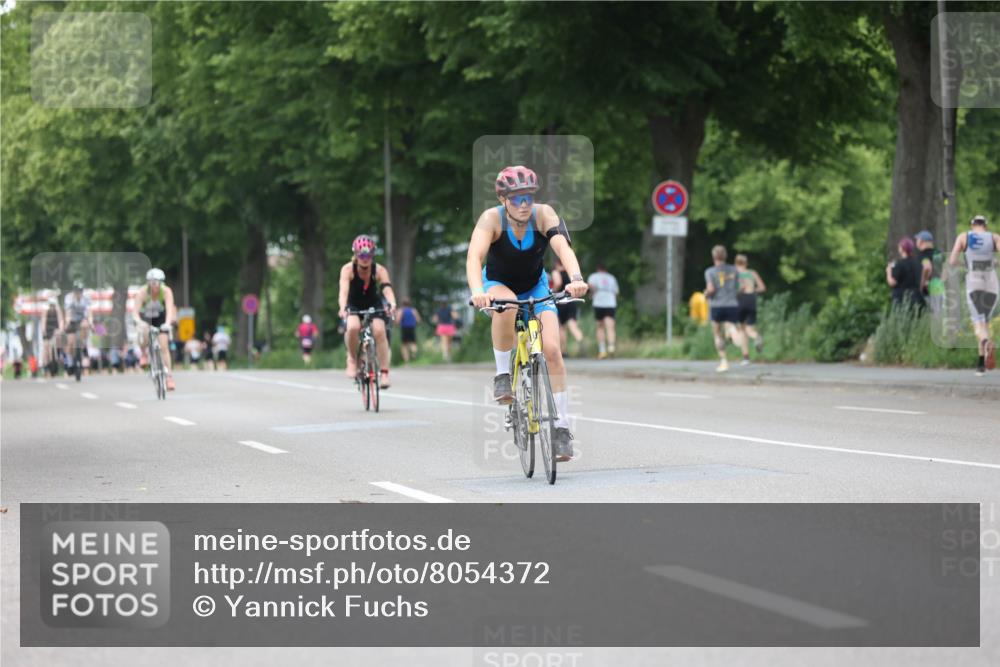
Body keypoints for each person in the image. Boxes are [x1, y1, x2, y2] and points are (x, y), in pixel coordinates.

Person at [466, 165, 588, 462]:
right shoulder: (491, 219)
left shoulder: (544, 215)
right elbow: (474, 257)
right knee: (507, 304)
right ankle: (502, 374)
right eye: (516, 198)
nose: (524, 204)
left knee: (553, 350)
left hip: (536, 287)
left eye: (528, 197)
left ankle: (561, 428)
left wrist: (576, 278)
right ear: (503, 199)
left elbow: (563, 249)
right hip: (498, 285)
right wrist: (477, 291)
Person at [338, 234, 397, 389]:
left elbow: (387, 289)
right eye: (362, 255)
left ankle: (384, 373)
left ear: (373, 254)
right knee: (353, 327)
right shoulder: (348, 269)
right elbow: (343, 292)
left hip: (373, 303)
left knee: (380, 331)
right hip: (353, 303)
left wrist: (392, 303)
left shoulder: (379, 270)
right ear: (356, 254)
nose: (365, 259)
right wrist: (343, 308)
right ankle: (352, 359)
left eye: (369, 255)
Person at [948, 215, 999, 376]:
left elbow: (952, 260)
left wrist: (966, 264)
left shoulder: (964, 237)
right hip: (992, 284)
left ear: (972, 226)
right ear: (985, 226)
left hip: (974, 283)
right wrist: (994, 263)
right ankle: (981, 364)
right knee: (985, 323)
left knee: (978, 323)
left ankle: (985, 343)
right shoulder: (994, 237)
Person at [133, 268, 178, 390]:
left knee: (164, 346)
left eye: (157, 283)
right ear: (148, 283)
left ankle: (169, 376)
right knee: (144, 331)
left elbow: (169, 310)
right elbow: (135, 312)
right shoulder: (142, 292)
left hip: (161, 318)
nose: (155, 286)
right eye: (152, 283)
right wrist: (139, 322)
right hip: (146, 317)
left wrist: (167, 324)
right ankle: (144, 354)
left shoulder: (166, 291)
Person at [704, 245, 746, 373]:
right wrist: (735, 295)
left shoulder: (710, 271)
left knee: (717, 334)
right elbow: (742, 287)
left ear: (713, 257)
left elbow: (711, 289)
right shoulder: (734, 270)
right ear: (725, 256)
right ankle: (732, 332)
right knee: (730, 325)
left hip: (716, 305)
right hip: (731, 304)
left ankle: (724, 362)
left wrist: (706, 294)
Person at [734, 254, 766, 364]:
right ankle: (756, 336)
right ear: (746, 263)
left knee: (742, 329)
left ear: (736, 263)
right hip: (752, 299)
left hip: (741, 300)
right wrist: (752, 290)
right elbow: (762, 288)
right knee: (750, 328)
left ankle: (746, 357)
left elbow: (739, 288)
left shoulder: (735, 274)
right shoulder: (753, 273)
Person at [551, 259, 584, 356]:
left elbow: (558, 283)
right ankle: (581, 341)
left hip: (561, 301)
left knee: (561, 327)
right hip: (571, 300)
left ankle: (564, 351)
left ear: (557, 264)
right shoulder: (570, 273)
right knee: (572, 325)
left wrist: (552, 292)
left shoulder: (556, 272)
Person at [587, 264, 619, 359]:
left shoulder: (593, 276)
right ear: (606, 269)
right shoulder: (612, 277)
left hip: (599, 303)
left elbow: (590, 286)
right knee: (610, 327)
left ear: (598, 269)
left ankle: (602, 350)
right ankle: (611, 347)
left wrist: (591, 294)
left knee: (600, 327)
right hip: (610, 303)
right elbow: (616, 292)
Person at [63, 280, 92, 380]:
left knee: (85, 325)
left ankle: (83, 342)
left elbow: (89, 312)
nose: (78, 293)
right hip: (72, 320)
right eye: (77, 291)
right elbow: (67, 312)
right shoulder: (68, 298)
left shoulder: (86, 298)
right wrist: (67, 322)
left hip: (82, 320)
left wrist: (90, 322)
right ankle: (70, 362)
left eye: (80, 291)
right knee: (70, 342)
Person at [886, 237, 925, 312]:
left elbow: (892, 282)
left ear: (902, 248)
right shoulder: (918, 263)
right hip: (916, 297)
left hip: (902, 299)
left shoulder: (899, 264)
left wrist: (888, 271)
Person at [916, 231, 945, 316]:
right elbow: (946, 269)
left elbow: (927, 267)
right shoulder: (938, 253)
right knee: (938, 316)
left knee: (926, 316)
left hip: (926, 290)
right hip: (938, 288)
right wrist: (941, 281)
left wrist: (923, 283)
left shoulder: (922, 255)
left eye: (917, 240)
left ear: (921, 241)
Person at [41, 297, 64, 377]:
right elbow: (43, 322)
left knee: (54, 349)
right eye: (51, 305)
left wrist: (60, 330)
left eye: (53, 305)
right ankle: (45, 367)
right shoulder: (45, 311)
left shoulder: (58, 311)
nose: (52, 307)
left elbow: (61, 321)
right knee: (46, 349)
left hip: (55, 331)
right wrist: (44, 331)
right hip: (47, 331)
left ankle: (54, 367)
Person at [396, 298, 422, 363]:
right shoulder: (413, 310)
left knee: (404, 344)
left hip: (404, 328)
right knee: (413, 342)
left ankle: (406, 360)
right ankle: (414, 354)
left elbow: (398, 320)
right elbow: (418, 320)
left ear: (402, 304)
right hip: (412, 328)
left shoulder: (401, 310)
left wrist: (397, 324)